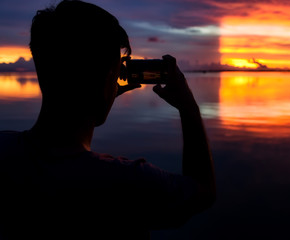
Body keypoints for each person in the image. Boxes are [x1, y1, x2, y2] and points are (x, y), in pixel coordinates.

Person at [0, 0, 215, 239]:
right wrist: (189, 108)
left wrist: (100, 95)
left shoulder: (4, 151)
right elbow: (203, 191)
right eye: (116, 72)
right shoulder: (128, 183)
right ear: (109, 76)